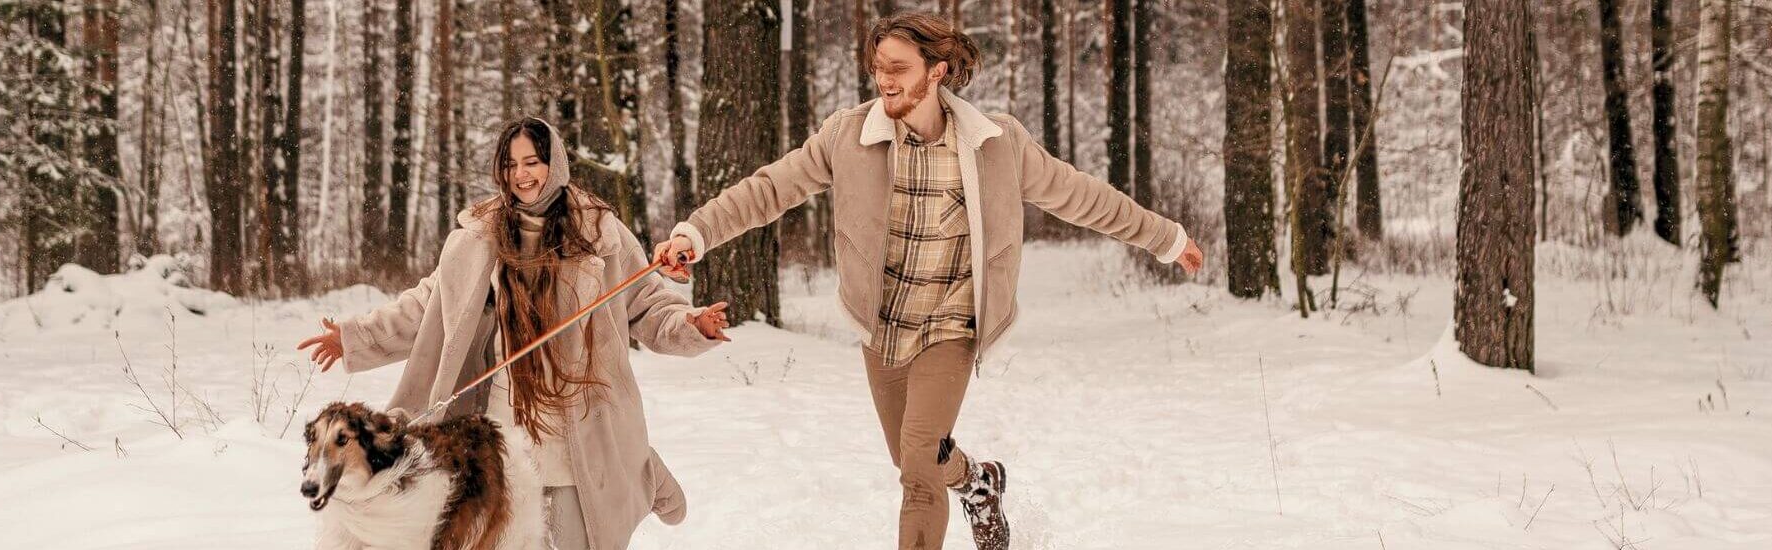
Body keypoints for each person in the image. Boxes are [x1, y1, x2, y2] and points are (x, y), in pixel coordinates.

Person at [651, 12, 1204, 550]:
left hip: (951, 325)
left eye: (899, 68)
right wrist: (694, 234)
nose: (884, 79)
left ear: (936, 71)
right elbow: (769, 188)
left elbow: (1083, 197)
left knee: (917, 470)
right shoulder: (848, 135)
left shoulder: (996, 145)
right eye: (878, 68)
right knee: (916, 457)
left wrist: (1166, 238)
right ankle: (977, 481)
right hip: (884, 326)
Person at [298, 117, 731, 550]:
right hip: (505, 438)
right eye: (510, 165)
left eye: (532, 162)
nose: (521, 175)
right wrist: (354, 337)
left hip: (575, 430)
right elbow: (426, 306)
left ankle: (639, 468)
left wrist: (692, 324)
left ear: (554, 164)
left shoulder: (600, 232)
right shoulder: (478, 236)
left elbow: (648, 304)